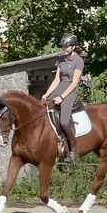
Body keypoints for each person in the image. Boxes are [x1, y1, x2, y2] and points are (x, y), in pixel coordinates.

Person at [41, 33, 84, 162]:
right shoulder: (61, 59)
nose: (64, 48)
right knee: (42, 106)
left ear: (74, 46)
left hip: (71, 90)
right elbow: (56, 80)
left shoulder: (78, 61)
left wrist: (61, 97)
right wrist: (47, 94)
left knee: (64, 121)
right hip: (61, 86)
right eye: (63, 46)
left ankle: (74, 150)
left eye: (67, 46)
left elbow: (75, 82)